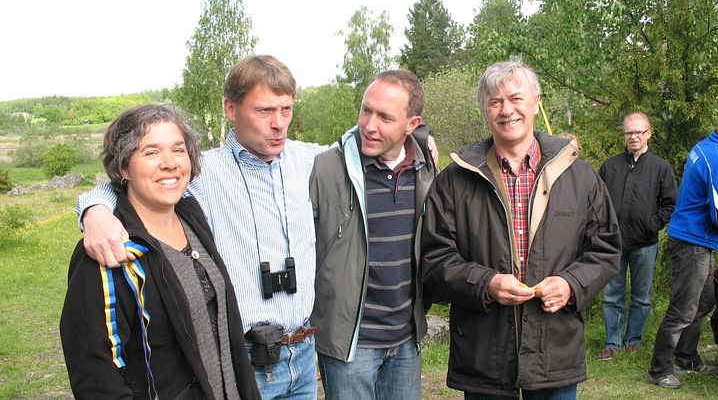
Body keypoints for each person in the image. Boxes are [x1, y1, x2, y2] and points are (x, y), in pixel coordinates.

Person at [76, 55, 325, 399]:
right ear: (230, 108)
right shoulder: (202, 172)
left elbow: (369, 142)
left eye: (286, 109)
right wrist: (94, 210)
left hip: (302, 353)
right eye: (265, 111)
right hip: (246, 360)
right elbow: (138, 180)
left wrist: (418, 138)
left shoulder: (311, 160)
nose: (279, 123)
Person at [420, 60, 621, 399]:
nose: (507, 110)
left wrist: (571, 284)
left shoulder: (580, 176)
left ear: (536, 102)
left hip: (554, 350)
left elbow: (606, 248)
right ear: (485, 111)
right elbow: (435, 257)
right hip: (485, 354)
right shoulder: (454, 180)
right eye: (496, 101)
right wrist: (486, 283)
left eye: (516, 99)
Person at [60, 105, 261, 399]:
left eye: (178, 150)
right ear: (123, 167)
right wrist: (93, 211)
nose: (170, 163)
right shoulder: (110, 252)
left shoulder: (193, 218)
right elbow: (95, 378)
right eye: (151, 152)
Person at [309, 70, 436, 399]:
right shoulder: (325, 168)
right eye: (366, 110)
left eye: (385, 117)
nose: (369, 125)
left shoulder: (425, 171)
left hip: (407, 340)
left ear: (412, 124)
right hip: (351, 344)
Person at [648, 100, 718, 389]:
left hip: (702, 242)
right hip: (691, 242)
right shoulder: (715, 156)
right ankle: (659, 369)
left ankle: (686, 357)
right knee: (683, 308)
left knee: (704, 301)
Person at [597, 112, 678, 360]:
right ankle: (613, 342)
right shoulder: (610, 166)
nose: (633, 136)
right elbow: (597, 201)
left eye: (638, 132)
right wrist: (603, 228)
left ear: (649, 133)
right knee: (612, 295)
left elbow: (671, 204)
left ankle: (634, 339)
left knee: (642, 296)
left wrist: (651, 225)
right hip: (614, 243)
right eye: (629, 132)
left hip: (645, 244)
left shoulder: (660, 167)